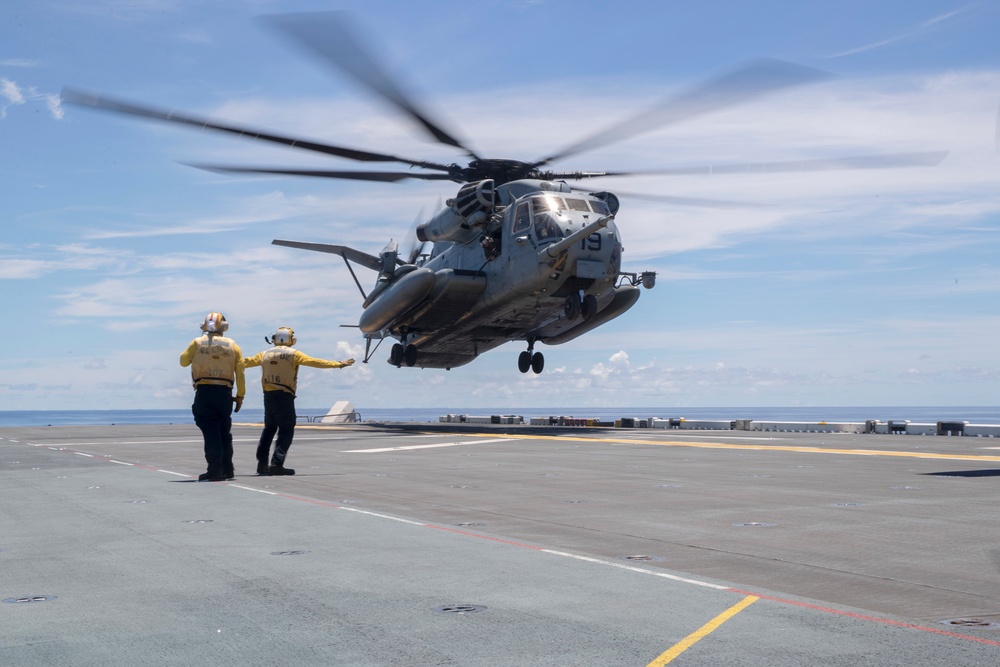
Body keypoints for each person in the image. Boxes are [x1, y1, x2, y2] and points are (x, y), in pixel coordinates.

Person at [243, 327, 354, 476]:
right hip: (285, 396)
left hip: (268, 396)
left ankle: (262, 464)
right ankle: (277, 464)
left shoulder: (264, 354)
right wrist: (339, 364)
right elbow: (316, 362)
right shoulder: (293, 354)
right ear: (290, 339)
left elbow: (245, 362)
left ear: (275, 339)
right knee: (286, 429)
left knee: (269, 429)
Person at [179, 312, 246, 482]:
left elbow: (183, 361)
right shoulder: (233, 346)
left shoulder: (197, 342)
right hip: (225, 393)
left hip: (205, 391)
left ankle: (215, 470)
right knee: (224, 432)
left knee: (211, 432)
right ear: (223, 327)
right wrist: (240, 396)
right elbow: (240, 373)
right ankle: (227, 469)